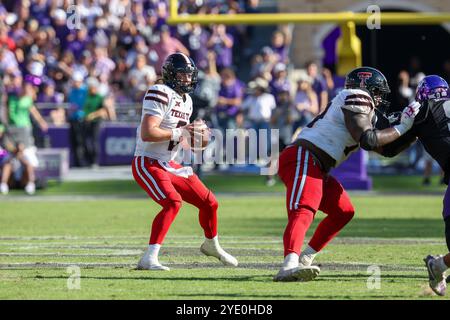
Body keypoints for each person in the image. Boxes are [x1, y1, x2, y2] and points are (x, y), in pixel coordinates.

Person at [274, 66, 421, 282]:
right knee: (305, 209)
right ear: (365, 87)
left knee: (343, 211)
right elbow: (368, 139)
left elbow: (387, 149)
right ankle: (288, 265)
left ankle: (306, 258)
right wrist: (401, 128)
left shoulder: (362, 108)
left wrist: (412, 131)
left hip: (317, 164)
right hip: (304, 156)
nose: (380, 99)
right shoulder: (356, 96)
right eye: (378, 92)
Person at [132, 52, 238, 271]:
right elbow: (148, 132)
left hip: (169, 163)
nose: (187, 80)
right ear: (171, 74)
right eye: (182, 75)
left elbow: (184, 140)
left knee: (210, 202)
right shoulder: (159, 92)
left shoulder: (187, 100)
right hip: (148, 161)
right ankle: (149, 258)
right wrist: (181, 132)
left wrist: (199, 138)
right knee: (173, 202)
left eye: (189, 75)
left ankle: (212, 244)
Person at [376, 75, 450, 296]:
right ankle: (438, 265)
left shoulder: (421, 109)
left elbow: (388, 149)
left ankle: (438, 266)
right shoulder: (425, 110)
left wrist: (392, 123)